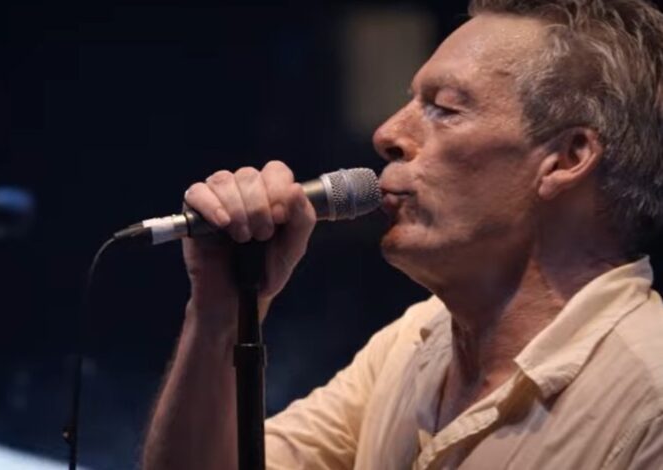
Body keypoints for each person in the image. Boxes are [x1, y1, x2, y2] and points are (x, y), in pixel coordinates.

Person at [142, 0, 663, 468]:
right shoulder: (414, 342)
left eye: (445, 108)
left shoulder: (649, 405)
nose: (387, 133)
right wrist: (220, 314)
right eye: (411, 102)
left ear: (568, 158)